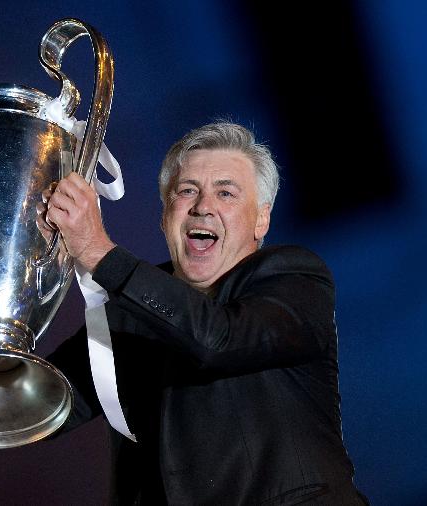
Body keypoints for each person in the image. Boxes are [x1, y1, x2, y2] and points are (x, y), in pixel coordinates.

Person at [38, 122, 369, 504]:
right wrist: (2, 285)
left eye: (225, 192)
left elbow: (218, 339)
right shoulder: (126, 312)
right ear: (164, 216)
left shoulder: (295, 278)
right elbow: (38, 408)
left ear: (261, 219)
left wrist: (97, 251)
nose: (203, 206)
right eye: (187, 191)